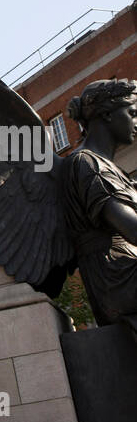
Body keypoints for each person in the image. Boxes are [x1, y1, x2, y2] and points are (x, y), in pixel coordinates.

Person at [63, 80, 137, 329]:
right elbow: (133, 229)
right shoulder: (85, 163)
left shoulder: (109, 167)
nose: (135, 121)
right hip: (118, 279)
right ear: (107, 114)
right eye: (132, 113)